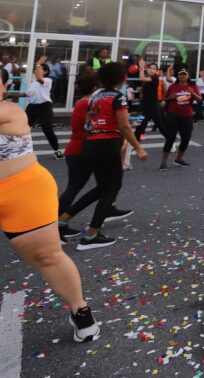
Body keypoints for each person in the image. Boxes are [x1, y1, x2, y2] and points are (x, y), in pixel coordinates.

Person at [0, 68, 101, 341]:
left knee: (47, 256)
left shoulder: (11, 111)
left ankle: (81, 310)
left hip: (23, 192)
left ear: (4, 87)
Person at [57, 74, 133, 243]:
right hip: (82, 149)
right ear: (94, 88)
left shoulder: (83, 102)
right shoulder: (89, 103)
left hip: (80, 148)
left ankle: (107, 208)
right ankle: (58, 223)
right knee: (79, 188)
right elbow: (92, 126)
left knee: (102, 186)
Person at [79, 62, 147, 249]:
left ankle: (65, 219)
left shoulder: (95, 95)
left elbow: (87, 122)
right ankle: (91, 235)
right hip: (108, 144)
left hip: (91, 143)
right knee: (112, 187)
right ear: (122, 78)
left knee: (103, 187)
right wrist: (138, 148)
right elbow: (124, 126)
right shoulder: (118, 97)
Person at [160, 70, 200, 171]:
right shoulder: (173, 86)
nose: (182, 76)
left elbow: (200, 99)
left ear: (188, 76)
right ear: (178, 76)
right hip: (173, 115)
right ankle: (163, 162)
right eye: (180, 75)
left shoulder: (193, 86)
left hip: (187, 116)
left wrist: (192, 93)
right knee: (170, 139)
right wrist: (170, 97)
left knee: (186, 138)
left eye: (184, 75)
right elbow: (165, 99)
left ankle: (179, 159)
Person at [26, 62, 61, 157]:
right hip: (32, 107)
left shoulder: (48, 80)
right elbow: (29, 94)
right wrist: (12, 95)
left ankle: (57, 150)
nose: (36, 70)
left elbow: (39, 79)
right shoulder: (33, 82)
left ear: (45, 72)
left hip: (44, 106)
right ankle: (22, 149)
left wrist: (38, 63)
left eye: (40, 69)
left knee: (47, 129)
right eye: (36, 69)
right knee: (24, 128)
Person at [133, 62, 165, 140]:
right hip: (145, 106)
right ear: (147, 69)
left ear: (156, 71)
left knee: (160, 126)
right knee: (140, 126)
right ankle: (137, 143)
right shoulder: (147, 81)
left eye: (154, 69)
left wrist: (141, 68)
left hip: (153, 106)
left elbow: (141, 78)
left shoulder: (155, 79)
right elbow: (144, 93)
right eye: (150, 68)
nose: (151, 70)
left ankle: (170, 139)